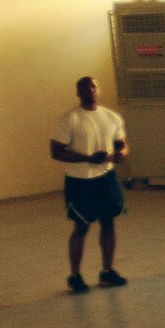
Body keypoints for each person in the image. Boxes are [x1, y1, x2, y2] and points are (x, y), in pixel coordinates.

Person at [48, 75, 129, 294]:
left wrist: (119, 154)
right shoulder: (70, 119)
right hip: (80, 181)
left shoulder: (112, 117)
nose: (90, 90)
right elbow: (56, 151)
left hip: (106, 177)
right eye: (84, 88)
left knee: (108, 223)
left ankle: (107, 270)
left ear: (98, 89)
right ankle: (75, 275)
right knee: (81, 227)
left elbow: (121, 145)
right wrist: (86, 158)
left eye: (93, 86)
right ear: (78, 93)